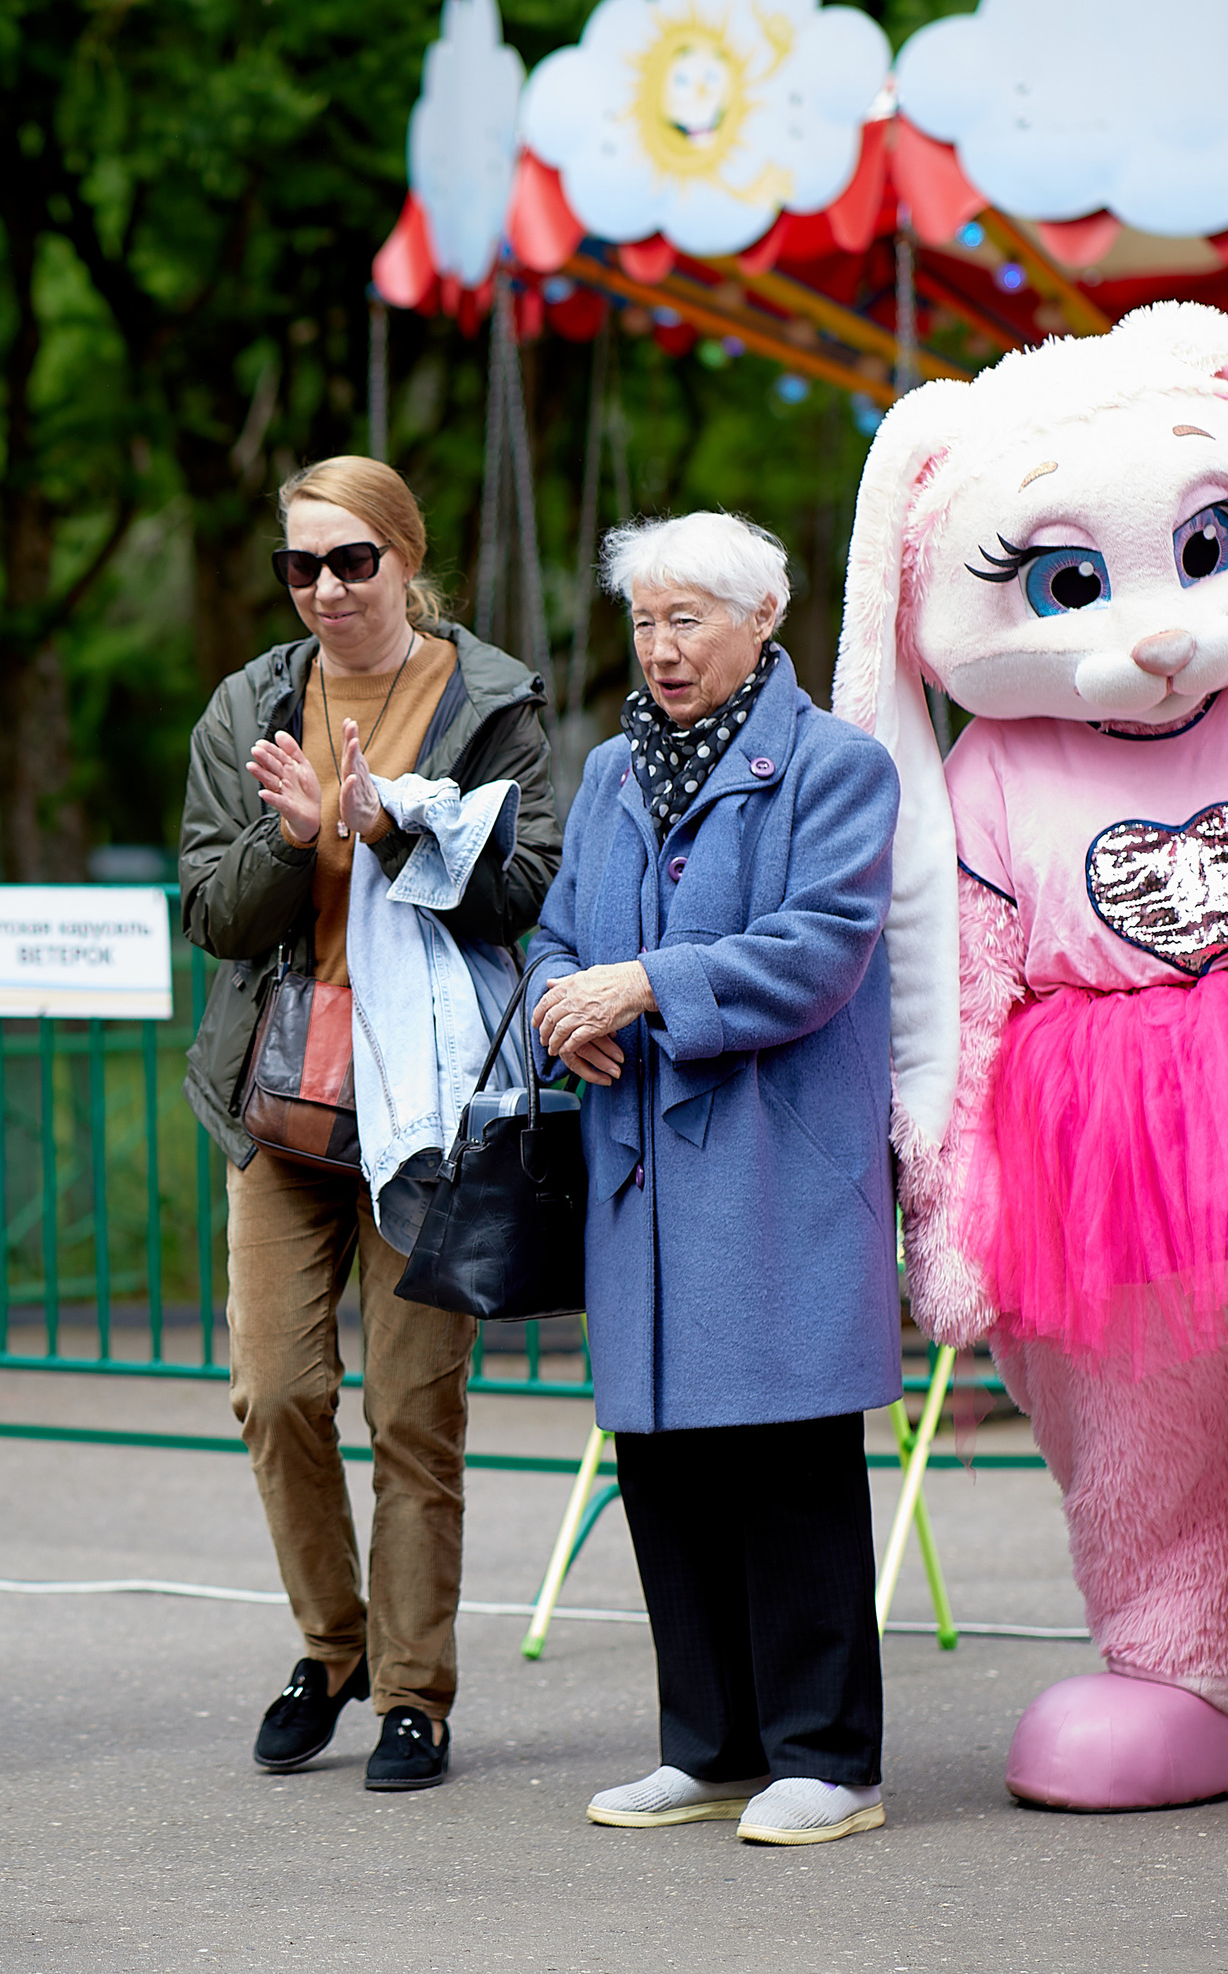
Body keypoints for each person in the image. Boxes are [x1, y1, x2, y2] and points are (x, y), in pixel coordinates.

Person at [179, 455, 561, 1792]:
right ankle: (330, 1647)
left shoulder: (493, 698)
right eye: (301, 565)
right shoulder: (251, 706)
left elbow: (523, 891)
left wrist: (396, 835)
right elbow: (213, 915)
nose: (326, 588)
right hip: (282, 1097)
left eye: (352, 561)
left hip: (430, 1110)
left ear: (404, 557)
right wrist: (294, 842)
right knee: (275, 1392)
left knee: (414, 1411)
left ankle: (412, 1690)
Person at [524, 512, 901, 1848]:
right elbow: (558, 935)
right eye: (645, 620)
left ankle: (827, 1758)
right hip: (641, 1173)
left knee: (788, 1457)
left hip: (776, 1167)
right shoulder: (617, 776)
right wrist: (563, 1004)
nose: (662, 647)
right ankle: (711, 1743)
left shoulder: (839, 767)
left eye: (690, 618)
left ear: (767, 615)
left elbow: (819, 948)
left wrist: (648, 986)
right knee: (667, 1462)